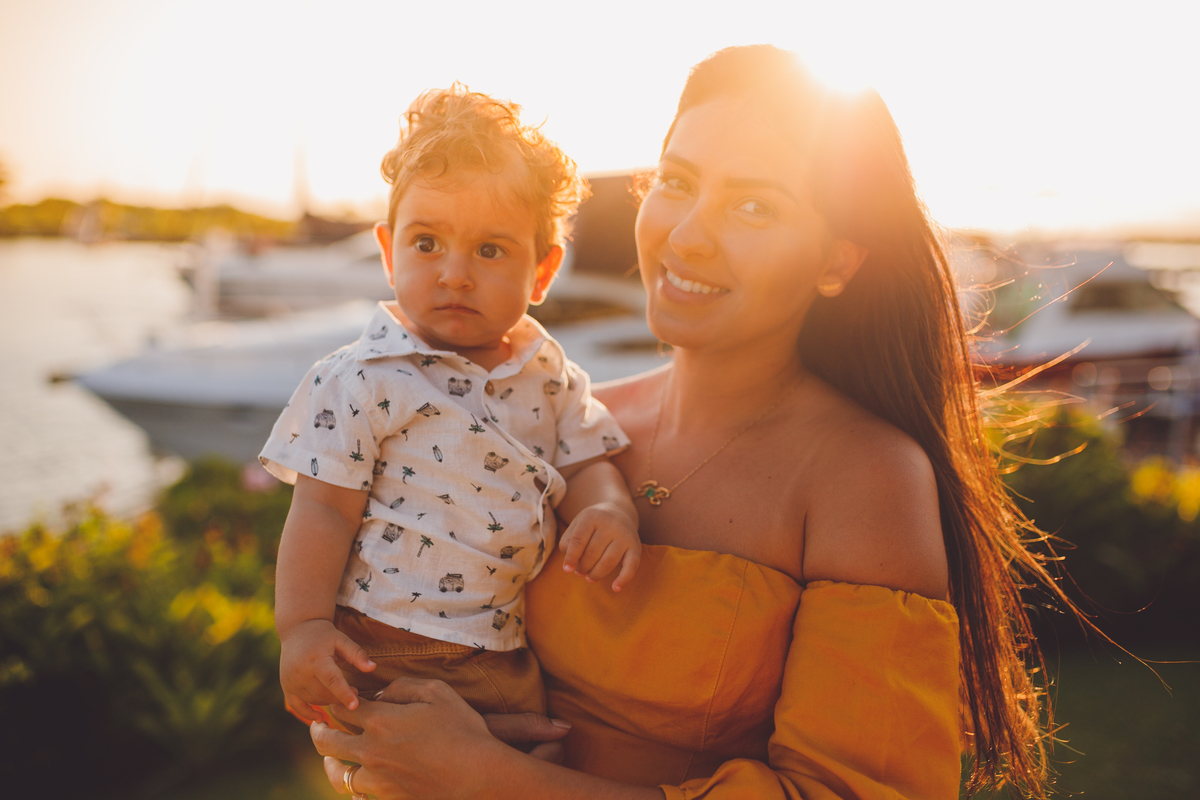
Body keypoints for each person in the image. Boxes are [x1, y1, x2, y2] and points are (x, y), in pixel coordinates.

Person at [307, 46, 1065, 800]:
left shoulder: (867, 478)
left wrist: (487, 777)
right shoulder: (563, 420)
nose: (687, 234)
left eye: (753, 205)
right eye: (676, 182)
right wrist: (374, 735)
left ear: (835, 261)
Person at [259, 85, 639, 725]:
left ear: (542, 273)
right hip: (381, 646)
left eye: (490, 251)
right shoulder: (364, 378)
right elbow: (322, 510)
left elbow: (586, 461)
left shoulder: (549, 375)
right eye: (427, 243)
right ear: (388, 251)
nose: (454, 274)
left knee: (526, 769)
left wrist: (610, 509)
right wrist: (301, 628)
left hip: (505, 654)